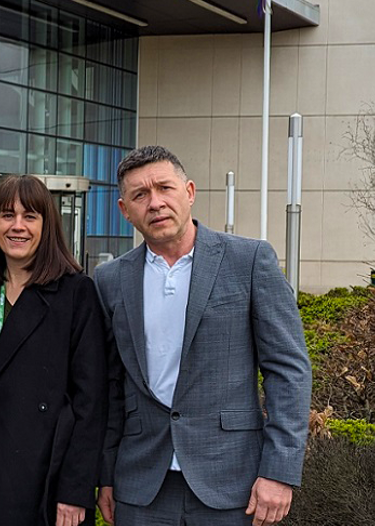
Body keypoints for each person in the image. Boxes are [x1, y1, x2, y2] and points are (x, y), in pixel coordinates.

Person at [94, 145, 311, 526]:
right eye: (140, 195)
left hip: (231, 483)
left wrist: (278, 471)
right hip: (142, 486)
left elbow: (288, 370)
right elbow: (112, 386)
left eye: (165, 188)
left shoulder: (249, 261)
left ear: (190, 192)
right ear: (124, 210)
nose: (155, 203)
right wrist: (106, 475)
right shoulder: (111, 280)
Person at [0, 175, 108, 526]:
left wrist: (75, 489)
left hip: (43, 480)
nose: (17, 226)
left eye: (29, 216)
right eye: (7, 216)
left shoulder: (75, 293)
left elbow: (90, 401)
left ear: (46, 226)